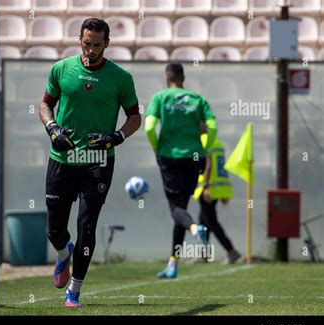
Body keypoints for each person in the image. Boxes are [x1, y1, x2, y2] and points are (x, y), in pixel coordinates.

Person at [38, 18, 141, 308]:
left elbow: (135, 117)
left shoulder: (120, 77)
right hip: (62, 158)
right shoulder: (61, 69)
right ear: (79, 40)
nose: (92, 50)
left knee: (87, 226)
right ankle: (63, 255)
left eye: (98, 44)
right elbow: (45, 104)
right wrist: (52, 129)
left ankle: (75, 290)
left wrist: (116, 137)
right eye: (87, 43)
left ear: (107, 44)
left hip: (97, 161)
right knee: (54, 229)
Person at [144, 62, 217, 279]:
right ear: (183, 78)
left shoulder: (160, 98)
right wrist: (206, 149)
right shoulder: (198, 99)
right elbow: (212, 127)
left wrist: (156, 147)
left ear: (168, 78)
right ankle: (173, 264)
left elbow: (148, 126)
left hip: (170, 157)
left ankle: (195, 229)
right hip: (194, 158)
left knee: (176, 210)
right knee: (181, 209)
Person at [192, 123, 241, 264]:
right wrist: (224, 192)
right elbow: (221, 167)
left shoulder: (204, 141)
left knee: (211, 222)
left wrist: (206, 186)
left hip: (208, 189)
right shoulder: (217, 142)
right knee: (204, 222)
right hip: (217, 188)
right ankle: (204, 254)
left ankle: (231, 251)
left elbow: (208, 164)